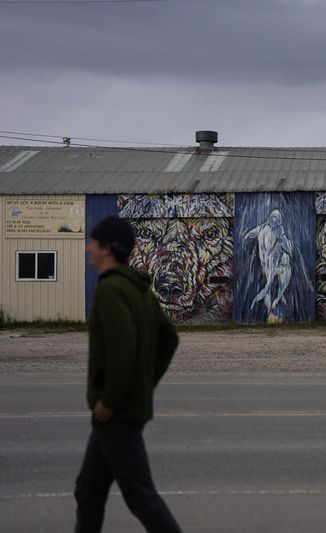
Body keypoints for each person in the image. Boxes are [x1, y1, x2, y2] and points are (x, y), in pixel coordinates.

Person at [75, 217, 182, 533]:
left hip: (115, 413)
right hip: (121, 411)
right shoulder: (140, 290)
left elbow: (123, 351)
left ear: (106, 249)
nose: (88, 248)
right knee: (88, 492)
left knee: (141, 497)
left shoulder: (111, 290)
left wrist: (110, 400)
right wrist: (144, 384)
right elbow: (168, 339)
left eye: (92, 242)